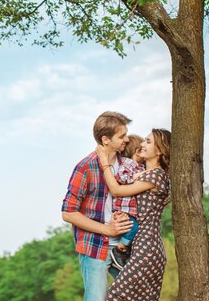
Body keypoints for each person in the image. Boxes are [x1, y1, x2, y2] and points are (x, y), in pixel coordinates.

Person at [61, 111, 135, 301]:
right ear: (106, 139)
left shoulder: (128, 165)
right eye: (122, 136)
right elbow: (68, 213)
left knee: (136, 296)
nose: (127, 139)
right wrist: (107, 230)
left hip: (124, 248)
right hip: (95, 248)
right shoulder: (85, 167)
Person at [97, 128, 171, 301]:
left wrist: (104, 161)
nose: (143, 144)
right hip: (141, 247)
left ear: (160, 151)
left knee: (116, 296)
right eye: (144, 140)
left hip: (147, 249)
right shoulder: (144, 173)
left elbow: (116, 190)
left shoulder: (156, 176)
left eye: (148, 142)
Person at [109, 134, 145, 270]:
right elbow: (121, 177)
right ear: (137, 151)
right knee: (133, 228)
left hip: (129, 209)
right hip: (123, 209)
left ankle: (123, 250)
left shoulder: (139, 166)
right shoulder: (128, 164)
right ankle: (119, 250)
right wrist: (135, 177)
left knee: (134, 230)